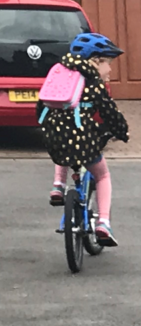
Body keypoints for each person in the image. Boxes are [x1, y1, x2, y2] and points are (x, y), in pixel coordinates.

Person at [40, 33, 129, 247]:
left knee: (62, 142)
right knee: (102, 175)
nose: (109, 70)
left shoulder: (58, 74)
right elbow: (110, 112)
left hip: (55, 137)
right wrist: (122, 131)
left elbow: (41, 104)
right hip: (84, 140)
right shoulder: (93, 83)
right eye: (108, 64)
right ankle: (103, 223)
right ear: (96, 61)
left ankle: (58, 186)